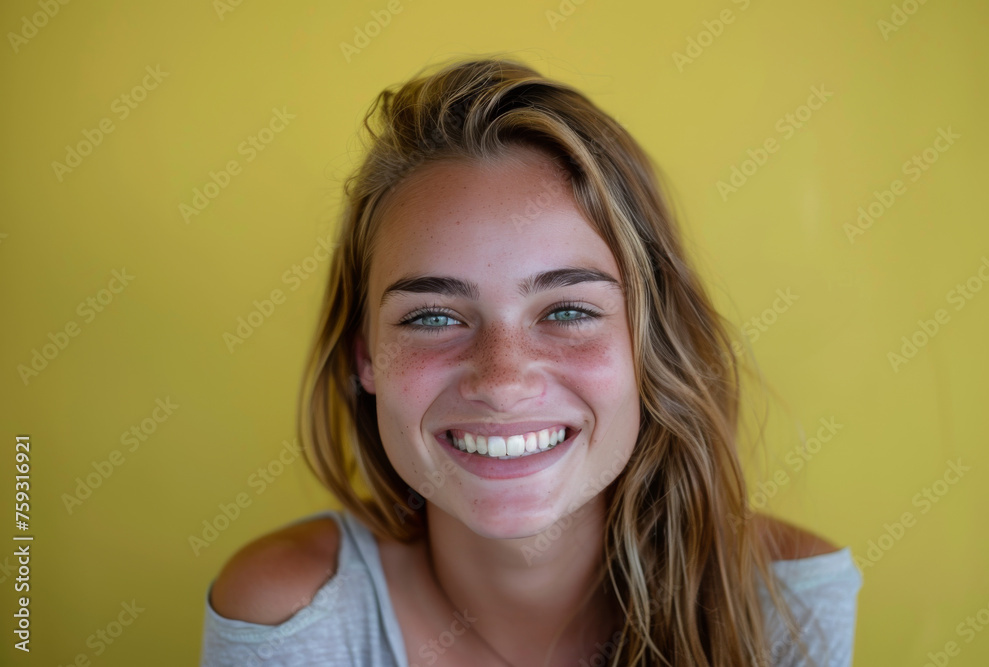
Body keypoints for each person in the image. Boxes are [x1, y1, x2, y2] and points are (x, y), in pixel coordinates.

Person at [199, 55, 862, 666]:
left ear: (647, 341)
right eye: (432, 317)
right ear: (367, 357)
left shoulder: (785, 603)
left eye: (568, 310)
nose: (504, 382)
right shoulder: (293, 615)